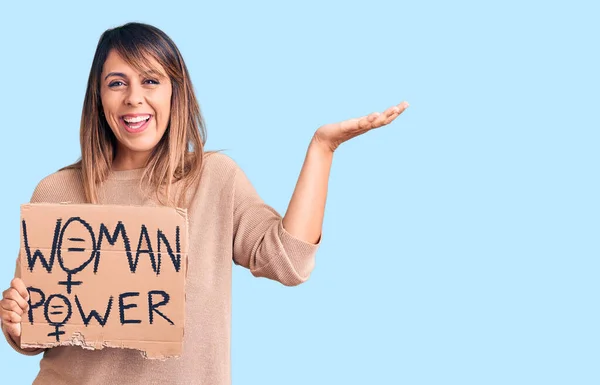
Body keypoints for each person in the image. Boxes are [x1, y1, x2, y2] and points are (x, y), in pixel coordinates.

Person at [0, 22, 408, 384]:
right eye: (117, 82)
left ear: (176, 92)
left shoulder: (215, 179)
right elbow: (35, 331)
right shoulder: (55, 192)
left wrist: (323, 148)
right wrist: (15, 323)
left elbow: (290, 261)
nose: (134, 98)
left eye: (151, 81)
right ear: (99, 97)